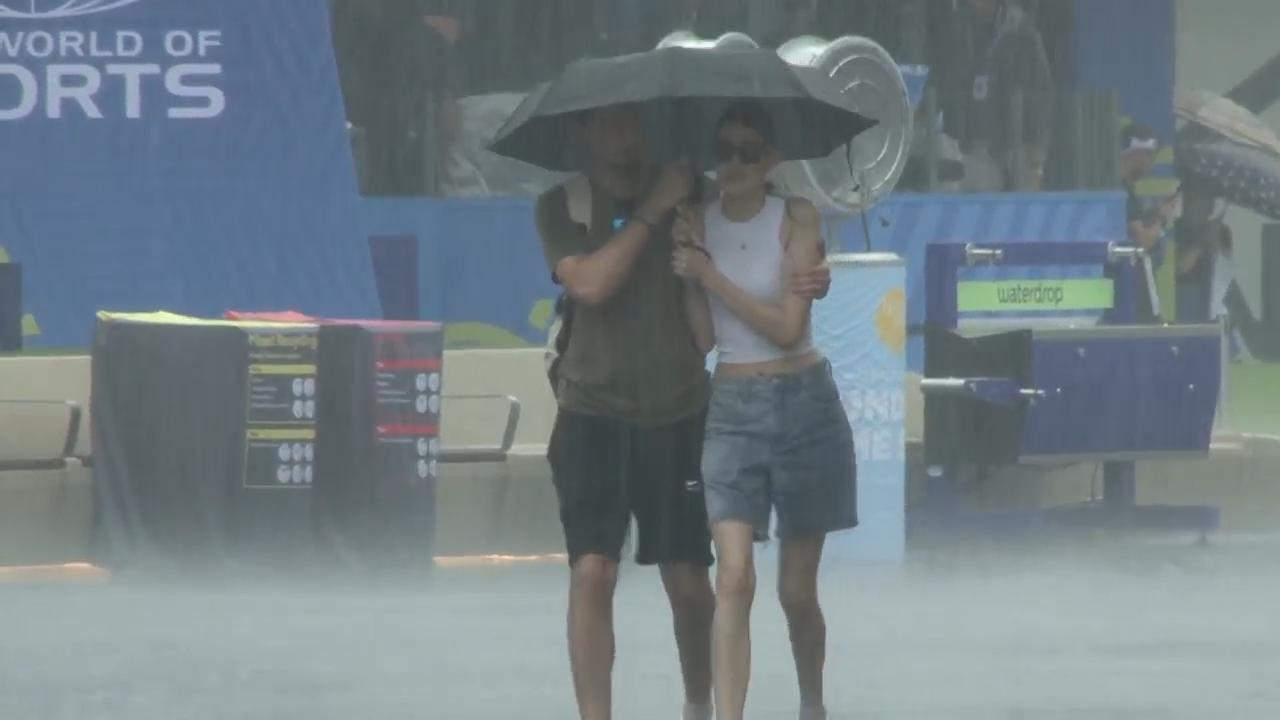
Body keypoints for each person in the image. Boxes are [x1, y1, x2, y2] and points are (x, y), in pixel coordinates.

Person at [534, 103, 832, 720]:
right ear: (583, 133)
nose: (623, 135)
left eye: (632, 121)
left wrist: (811, 272)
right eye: (608, 124)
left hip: (680, 413)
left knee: (692, 584)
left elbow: (763, 225)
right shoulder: (564, 205)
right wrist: (650, 211)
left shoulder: (694, 194)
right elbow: (588, 284)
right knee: (592, 571)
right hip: (591, 411)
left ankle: (699, 704)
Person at [671, 102, 857, 720]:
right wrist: (688, 273)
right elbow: (703, 339)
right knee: (734, 577)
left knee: (796, 592)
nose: (734, 164)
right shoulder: (696, 222)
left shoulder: (796, 218)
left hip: (804, 402)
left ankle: (812, 701)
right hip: (732, 403)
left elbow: (785, 326)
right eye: (724, 150)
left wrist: (711, 275)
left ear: (771, 161)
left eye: (749, 152)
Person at [953, 0, 1053, 192]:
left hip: (1020, 142)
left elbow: (1041, 93)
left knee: (1023, 211)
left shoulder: (1022, 31)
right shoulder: (961, 26)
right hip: (979, 142)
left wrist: (1037, 148)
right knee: (981, 210)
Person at [1120, 123, 1175, 322]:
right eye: (1150, 156)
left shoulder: (1125, 190)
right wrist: (1161, 217)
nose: (1152, 164)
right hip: (1129, 294)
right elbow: (1141, 242)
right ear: (1137, 153)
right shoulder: (1121, 191)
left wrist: (1152, 216)